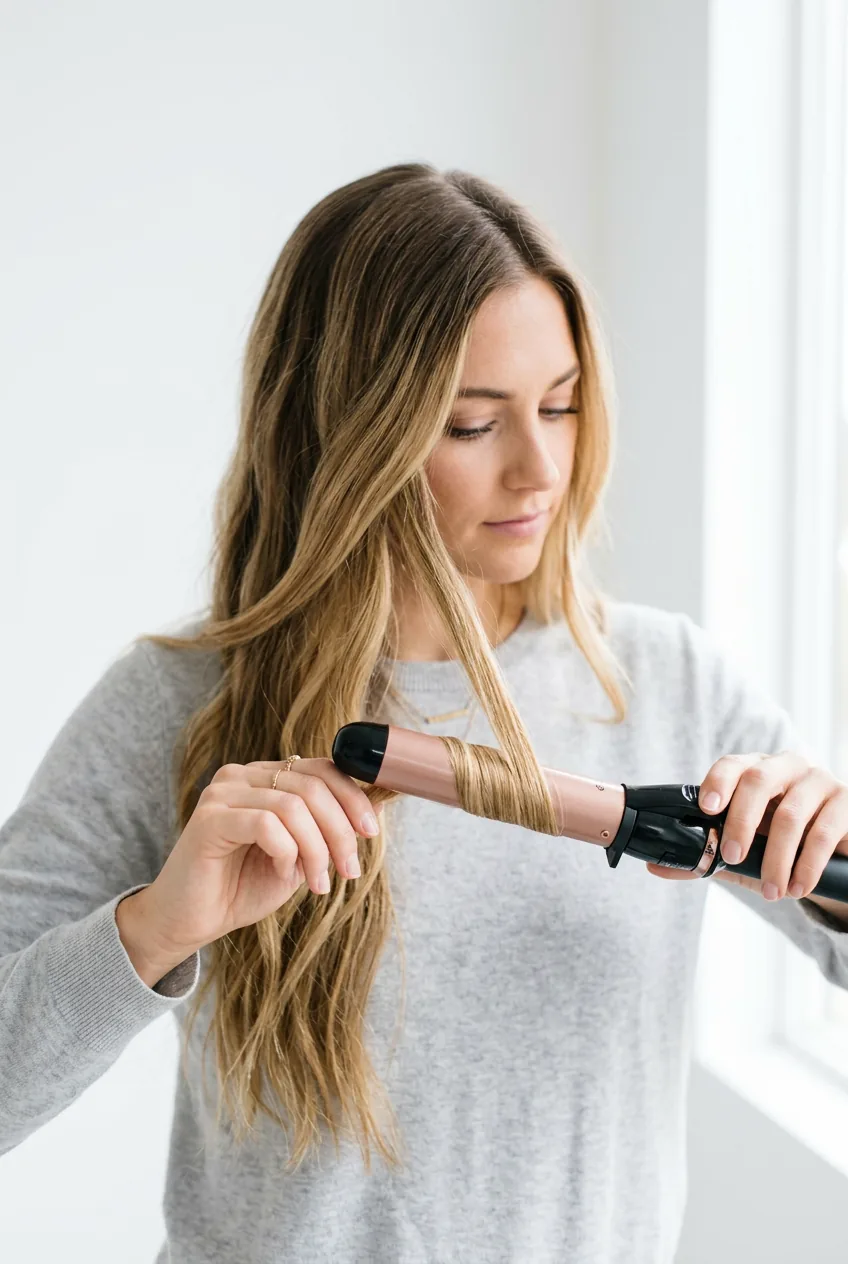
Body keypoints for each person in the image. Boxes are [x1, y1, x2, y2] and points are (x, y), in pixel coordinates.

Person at [2, 162, 848, 1264]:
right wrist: (156, 925)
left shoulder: (663, 680)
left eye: (559, 403)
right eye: (470, 424)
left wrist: (827, 865)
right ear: (346, 435)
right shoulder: (178, 705)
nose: (539, 467)